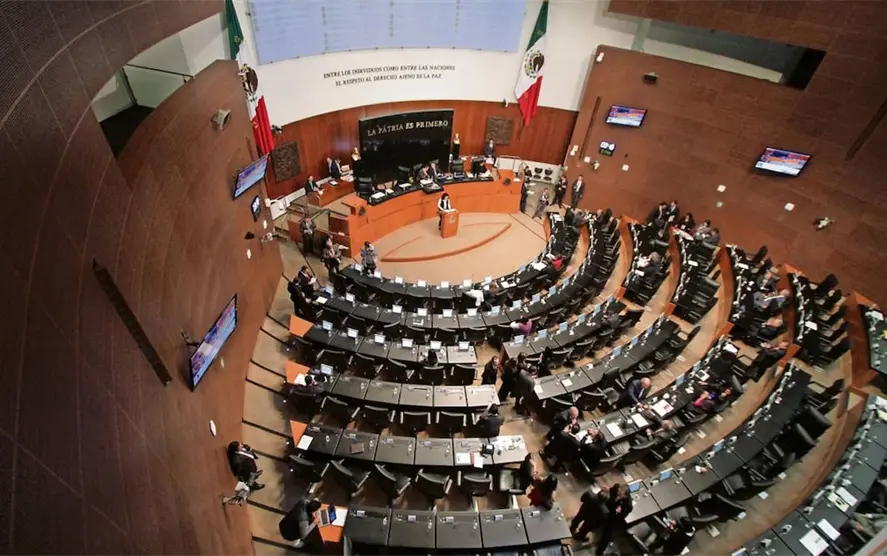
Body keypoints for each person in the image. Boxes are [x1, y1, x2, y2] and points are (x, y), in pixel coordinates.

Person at [596, 483, 633, 556]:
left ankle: (599, 552)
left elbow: (620, 516)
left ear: (625, 495)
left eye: (620, 493)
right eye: (618, 491)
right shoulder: (616, 487)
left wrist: (609, 516)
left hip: (613, 519)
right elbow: (610, 491)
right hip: (606, 508)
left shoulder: (628, 505)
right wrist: (606, 490)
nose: (618, 493)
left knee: (606, 535)